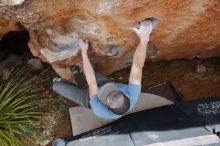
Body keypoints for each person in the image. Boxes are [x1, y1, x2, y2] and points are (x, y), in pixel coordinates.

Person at [53, 18, 156, 120]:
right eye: (113, 91)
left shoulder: (100, 110)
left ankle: (58, 81)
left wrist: (84, 52)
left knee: (58, 86)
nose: (103, 91)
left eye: (106, 94)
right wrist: (144, 40)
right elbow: (137, 68)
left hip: (89, 99)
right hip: (104, 83)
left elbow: (92, 82)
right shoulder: (132, 94)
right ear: (125, 94)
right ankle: (78, 72)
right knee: (86, 73)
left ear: (106, 105)